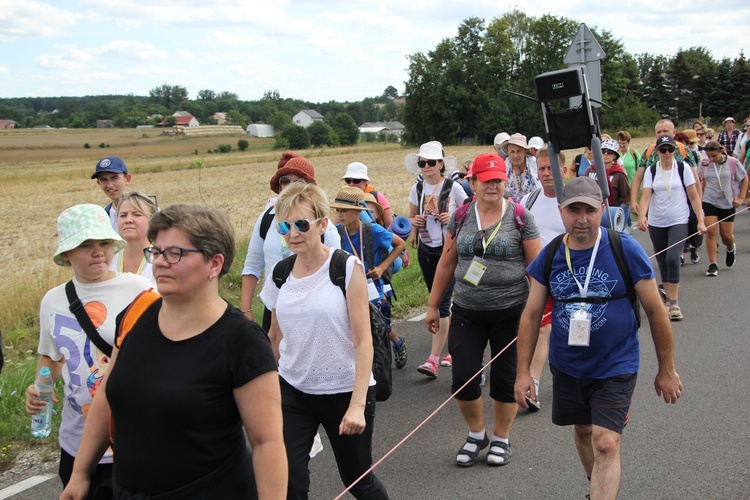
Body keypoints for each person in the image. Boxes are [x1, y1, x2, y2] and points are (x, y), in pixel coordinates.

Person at [61, 205, 286, 499]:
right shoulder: (135, 314)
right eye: (156, 252)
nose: (160, 263)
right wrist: (80, 473)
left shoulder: (242, 341)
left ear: (214, 264)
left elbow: (266, 442)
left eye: (175, 253)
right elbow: (106, 396)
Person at [515, 176, 683, 500]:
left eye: (589, 211)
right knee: (583, 430)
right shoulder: (550, 256)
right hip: (568, 365)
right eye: (574, 210)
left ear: (602, 209)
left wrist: (667, 368)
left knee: (606, 441)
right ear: (561, 212)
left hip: (616, 363)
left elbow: (655, 310)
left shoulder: (624, 248)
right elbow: (531, 315)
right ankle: (597, 486)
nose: (581, 219)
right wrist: (523, 373)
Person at [260, 182, 389, 499]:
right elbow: (274, 338)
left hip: (344, 392)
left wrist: (357, 405)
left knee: (357, 480)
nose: (293, 234)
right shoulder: (279, 273)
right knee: (288, 479)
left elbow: (363, 341)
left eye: (301, 224)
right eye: (285, 226)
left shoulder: (345, 268)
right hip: (294, 390)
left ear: (322, 224)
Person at [25, 204, 152, 493]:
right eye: (86, 245)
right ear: (66, 253)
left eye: (105, 243)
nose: (98, 252)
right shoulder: (53, 300)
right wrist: (39, 388)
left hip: (130, 440)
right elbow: (51, 357)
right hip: (75, 441)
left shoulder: (139, 290)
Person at [425, 153, 541, 467]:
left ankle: (501, 438)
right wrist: (433, 305)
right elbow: (447, 263)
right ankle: (477, 434)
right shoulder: (461, 216)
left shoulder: (519, 216)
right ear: (473, 181)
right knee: (463, 379)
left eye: (498, 180)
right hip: (467, 310)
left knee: (505, 380)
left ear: (505, 182)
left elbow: (537, 267)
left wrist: (541, 310)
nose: (493, 186)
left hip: (511, 311)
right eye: (486, 180)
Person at [241, 155, 341, 332]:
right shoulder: (266, 219)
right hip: (275, 307)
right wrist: (246, 310)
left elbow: (335, 272)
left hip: (314, 309)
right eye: (285, 180)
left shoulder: (325, 227)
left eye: (299, 181)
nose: (291, 186)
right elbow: (252, 264)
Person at [407, 141, 468, 377]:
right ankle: (453, 347)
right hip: (426, 248)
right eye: (422, 163)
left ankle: (433, 359)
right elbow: (411, 216)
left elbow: (467, 215)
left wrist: (450, 217)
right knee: (439, 298)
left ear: (441, 164)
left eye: (431, 163)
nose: (426, 167)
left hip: (449, 249)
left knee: (441, 304)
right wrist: (415, 226)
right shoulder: (417, 189)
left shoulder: (454, 188)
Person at [333, 186, 408, 369]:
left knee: (382, 327)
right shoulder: (335, 232)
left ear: (358, 211)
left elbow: (400, 244)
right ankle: (366, 367)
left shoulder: (373, 230)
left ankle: (398, 343)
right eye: (338, 210)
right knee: (354, 327)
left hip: (375, 287)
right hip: (349, 288)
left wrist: (382, 267)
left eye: (345, 210)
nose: (340, 215)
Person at [637, 135, 707, 321]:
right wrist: (642, 216)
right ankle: (667, 299)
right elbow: (645, 196)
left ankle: (675, 303)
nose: (667, 153)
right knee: (661, 260)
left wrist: (700, 220)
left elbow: (693, 196)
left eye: (670, 149)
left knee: (673, 257)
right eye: (663, 150)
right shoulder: (652, 171)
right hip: (657, 221)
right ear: (657, 151)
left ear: (675, 151)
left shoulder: (682, 168)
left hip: (679, 219)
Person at [519, 147, 568, 411]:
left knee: (571, 332)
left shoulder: (572, 199)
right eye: (542, 169)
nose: (546, 173)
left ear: (564, 169)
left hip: (572, 278)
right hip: (538, 277)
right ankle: (533, 386)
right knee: (542, 328)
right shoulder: (528, 201)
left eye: (551, 168)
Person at [699, 141, 748, 276]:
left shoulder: (732, 162)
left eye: (714, 156)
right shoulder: (704, 163)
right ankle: (712, 264)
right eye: (709, 156)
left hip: (727, 202)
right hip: (709, 200)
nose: (711, 159)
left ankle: (731, 247)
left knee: (726, 236)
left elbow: (744, 178)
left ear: (720, 151)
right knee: (710, 231)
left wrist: (741, 197)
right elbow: (698, 180)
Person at [109, 191, 157, 284]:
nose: (128, 220)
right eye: (123, 215)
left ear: (152, 220)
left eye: (137, 214)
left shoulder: (162, 260)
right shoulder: (108, 260)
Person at [341, 161, 395, 229]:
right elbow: (336, 225)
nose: (351, 184)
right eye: (348, 180)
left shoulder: (377, 196)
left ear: (365, 181)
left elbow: (389, 226)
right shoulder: (344, 197)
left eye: (356, 180)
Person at [91, 157, 132, 232]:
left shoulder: (149, 210)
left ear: (127, 179)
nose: (110, 185)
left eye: (114, 178)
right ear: (99, 183)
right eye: (104, 180)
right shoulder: (102, 216)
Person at [504, 133, 540, 203]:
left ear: (525, 152)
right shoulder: (505, 168)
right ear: (508, 153)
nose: (515, 156)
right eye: (512, 152)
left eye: (519, 151)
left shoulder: (535, 166)